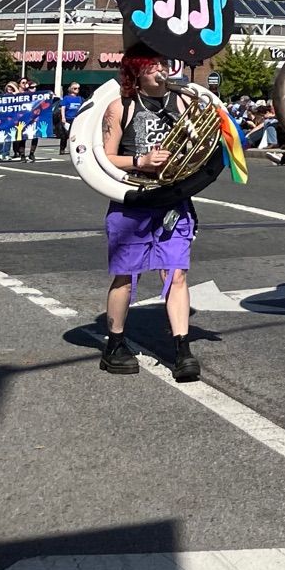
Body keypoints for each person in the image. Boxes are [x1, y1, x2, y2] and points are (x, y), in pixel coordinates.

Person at [98, 46, 205, 382]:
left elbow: (202, 146)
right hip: (132, 201)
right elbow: (104, 156)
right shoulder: (121, 107)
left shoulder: (183, 102)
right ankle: (114, 344)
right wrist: (139, 162)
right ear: (136, 73)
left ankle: (182, 348)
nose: (160, 69)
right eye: (151, 65)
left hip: (172, 198)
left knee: (175, 274)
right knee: (126, 276)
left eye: (162, 62)